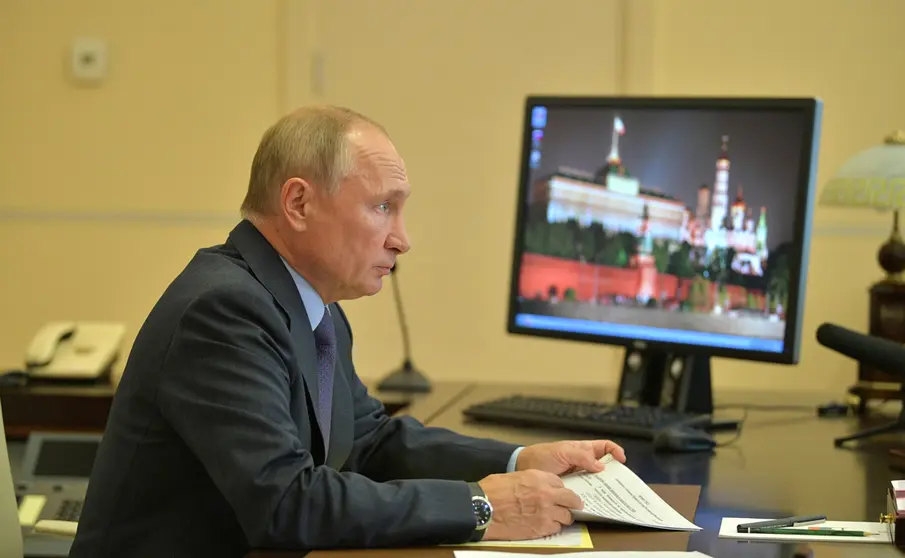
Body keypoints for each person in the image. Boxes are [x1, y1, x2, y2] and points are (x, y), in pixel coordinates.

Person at [68, 105, 626, 558]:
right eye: (383, 207)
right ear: (298, 203)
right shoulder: (223, 310)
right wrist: (482, 506)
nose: (402, 239)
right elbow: (285, 503)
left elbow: (367, 441)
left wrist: (518, 459)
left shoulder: (313, 307)